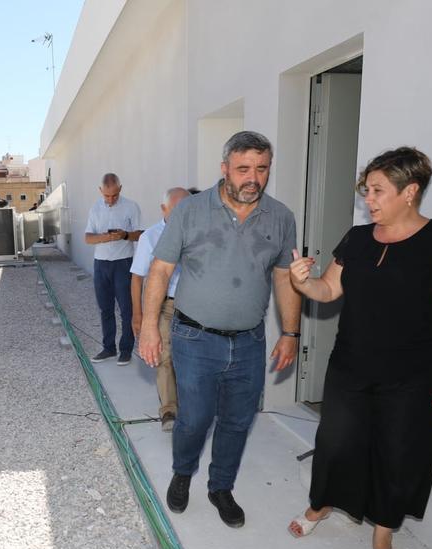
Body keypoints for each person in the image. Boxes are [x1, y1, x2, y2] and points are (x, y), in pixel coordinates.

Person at [286, 146, 432, 549]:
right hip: (351, 364)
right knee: (336, 442)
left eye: (377, 191)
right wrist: (303, 283)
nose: (368, 200)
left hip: (414, 374)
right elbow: (328, 291)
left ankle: (383, 535)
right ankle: (320, 505)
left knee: (399, 452)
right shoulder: (356, 239)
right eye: (366, 190)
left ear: (409, 191)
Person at [138, 131, 302, 528]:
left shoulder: (280, 217)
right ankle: (182, 473)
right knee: (194, 418)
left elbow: (284, 278)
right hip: (194, 338)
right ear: (224, 168)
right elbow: (160, 270)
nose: (253, 178)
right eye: (243, 168)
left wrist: (290, 333)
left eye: (261, 169)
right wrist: (148, 326)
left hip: (249, 341)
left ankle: (221, 487)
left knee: (237, 421)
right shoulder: (191, 211)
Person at [131, 187, 190, 432]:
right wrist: (139, 315)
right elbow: (137, 278)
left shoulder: (200, 234)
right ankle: (169, 411)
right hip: (165, 305)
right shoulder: (151, 237)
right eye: (176, 211)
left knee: (191, 360)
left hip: (194, 306)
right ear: (164, 209)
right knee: (165, 357)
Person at [84, 173, 143, 365]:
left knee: (127, 309)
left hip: (123, 263)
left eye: (115, 195)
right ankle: (108, 348)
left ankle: (126, 349)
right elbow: (88, 238)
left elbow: (140, 235)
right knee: (105, 309)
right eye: (107, 196)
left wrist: (125, 235)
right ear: (100, 191)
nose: (111, 199)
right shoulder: (94, 209)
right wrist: (106, 237)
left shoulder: (131, 206)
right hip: (101, 265)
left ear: (120, 189)